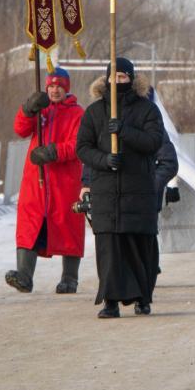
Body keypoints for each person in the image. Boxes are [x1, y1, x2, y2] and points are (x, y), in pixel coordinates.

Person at [76, 58, 165, 318]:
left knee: (138, 246)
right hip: (106, 193)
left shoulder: (147, 109)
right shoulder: (94, 112)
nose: (118, 82)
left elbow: (153, 141)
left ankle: (142, 298)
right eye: (113, 77)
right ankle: (111, 301)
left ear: (132, 79)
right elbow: (83, 147)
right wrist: (103, 160)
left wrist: (125, 131)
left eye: (123, 77)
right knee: (110, 249)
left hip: (138, 192)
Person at [5, 67, 85, 295]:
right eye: (50, 86)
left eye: (59, 86)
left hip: (64, 182)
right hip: (35, 183)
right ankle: (24, 275)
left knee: (68, 227)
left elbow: (78, 144)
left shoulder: (77, 113)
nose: (54, 90)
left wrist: (54, 152)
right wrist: (28, 110)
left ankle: (70, 278)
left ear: (66, 88)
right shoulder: (41, 110)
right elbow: (20, 129)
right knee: (30, 226)